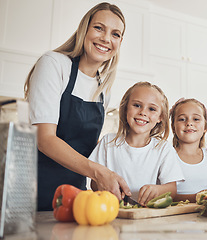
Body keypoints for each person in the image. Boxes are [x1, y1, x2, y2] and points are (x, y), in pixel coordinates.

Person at [24, 2, 131, 211]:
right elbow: (44, 139)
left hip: (76, 197)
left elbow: (85, 144)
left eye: (116, 34)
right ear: (85, 29)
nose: (106, 39)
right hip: (36, 191)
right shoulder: (54, 64)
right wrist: (99, 172)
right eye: (99, 28)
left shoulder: (104, 89)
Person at [88, 81, 185, 206]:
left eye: (152, 109)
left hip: (148, 216)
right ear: (125, 108)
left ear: (160, 117)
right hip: (112, 212)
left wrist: (157, 190)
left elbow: (172, 190)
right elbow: (94, 182)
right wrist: (107, 186)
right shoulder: (108, 142)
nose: (143, 112)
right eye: (137, 105)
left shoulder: (163, 148)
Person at [170, 98, 207, 202]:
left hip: (206, 215)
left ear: (205, 127)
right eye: (182, 119)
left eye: (196, 119)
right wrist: (196, 197)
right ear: (173, 127)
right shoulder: (167, 155)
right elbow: (164, 195)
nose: (189, 123)